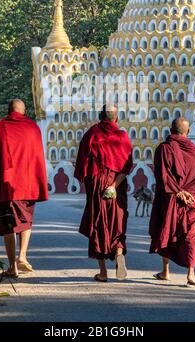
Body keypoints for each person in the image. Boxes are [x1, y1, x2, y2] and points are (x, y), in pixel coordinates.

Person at [0, 99, 48, 278]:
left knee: (9, 226)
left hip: (7, 186)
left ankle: (12, 267)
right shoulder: (33, 128)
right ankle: (22, 256)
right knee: (26, 220)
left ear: (9, 110)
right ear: (24, 112)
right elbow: (37, 157)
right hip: (28, 184)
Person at [74, 105, 133, 282]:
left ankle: (103, 272)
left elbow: (82, 161)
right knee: (117, 222)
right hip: (117, 185)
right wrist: (114, 185)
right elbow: (126, 166)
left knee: (99, 224)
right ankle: (119, 253)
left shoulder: (92, 133)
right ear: (116, 119)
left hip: (98, 185)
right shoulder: (122, 137)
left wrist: (85, 180)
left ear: (101, 117)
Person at [149, 117, 195, 286]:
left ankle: (166, 271)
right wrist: (187, 192)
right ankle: (191, 273)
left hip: (170, 198)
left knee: (166, 230)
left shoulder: (164, 149)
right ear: (188, 131)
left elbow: (162, 175)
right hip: (191, 200)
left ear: (171, 129)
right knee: (190, 234)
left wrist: (178, 191)